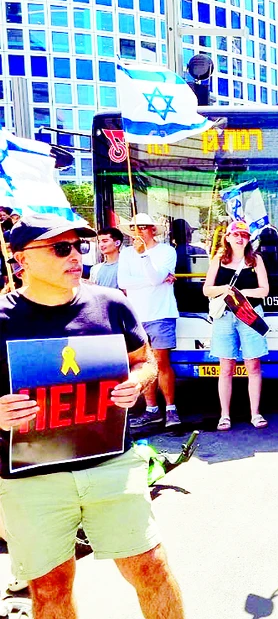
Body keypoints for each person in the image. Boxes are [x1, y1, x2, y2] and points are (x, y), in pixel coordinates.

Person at [0, 212, 184, 618]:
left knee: (151, 568)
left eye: (79, 246)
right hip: (33, 477)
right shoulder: (2, 317)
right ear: (21, 260)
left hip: (112, 464)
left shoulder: (111, 304)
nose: (75, 256)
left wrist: (139, 381)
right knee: (50, 590)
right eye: (60, 248)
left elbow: (145, 360)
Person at [203, 220, 270, 430]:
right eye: (236, 234)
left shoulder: (255, 260)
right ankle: (224, 415)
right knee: (226, 367)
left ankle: (255, 414)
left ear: (248, 239)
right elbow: (207, 290)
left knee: (253, 365)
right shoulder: (219, 259)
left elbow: (264, 290)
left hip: (249, 314)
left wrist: (241, 294)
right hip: (224, 315)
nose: (240, 238)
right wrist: (226, 289)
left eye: (244, 235)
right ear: (228, 237)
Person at [118, 213, 181, 429]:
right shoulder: (126, 253)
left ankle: (171, 409)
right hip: (136, 316)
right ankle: (152, 409)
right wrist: (156, 280)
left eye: (144, 227)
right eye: (136, 228)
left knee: (162, 363)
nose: (140, 231)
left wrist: (144, 257)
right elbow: (123, 282)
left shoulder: (166, 251)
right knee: (144, 365)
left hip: (161, 314)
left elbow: (154, 278)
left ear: (153, 230)